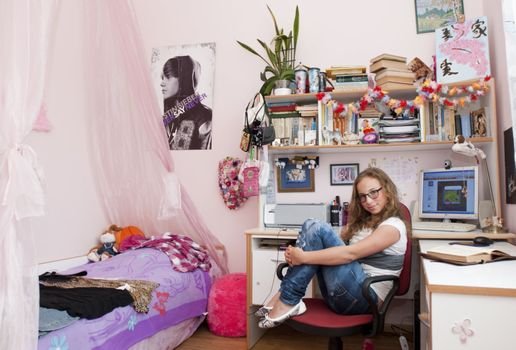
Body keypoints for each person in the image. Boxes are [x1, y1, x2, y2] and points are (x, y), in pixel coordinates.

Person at [256, 167, 407, 329]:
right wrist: (296, 255)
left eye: (374, 193)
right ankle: (286, 295)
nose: (368, 201)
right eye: (362, 197)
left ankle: (286, 298)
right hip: (340, 295)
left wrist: (302, 257)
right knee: (311, 226)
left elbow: (349, 254)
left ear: (387, 190)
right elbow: (328, 250)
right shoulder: (361, 224)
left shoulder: (393, 226)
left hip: (365, 300)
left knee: (316, 226)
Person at [161, 55, 212, 150]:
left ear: (184, 78)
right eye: (162, 77)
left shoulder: (204, 118)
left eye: (168, 76)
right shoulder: (169, 117)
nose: (162, 83)